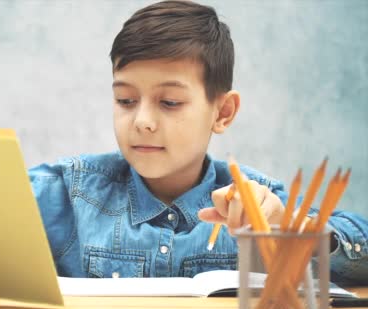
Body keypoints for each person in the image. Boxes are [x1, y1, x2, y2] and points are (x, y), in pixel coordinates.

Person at [28, 0, 367, 285]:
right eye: (126, 101)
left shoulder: (258, 203)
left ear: (223, 112)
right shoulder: (71, 193)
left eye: (170, 102)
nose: (142, 121)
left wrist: (289, 227)